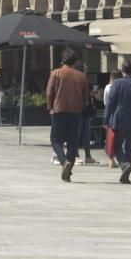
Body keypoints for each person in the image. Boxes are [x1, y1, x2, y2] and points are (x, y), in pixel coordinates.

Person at [45, 48, 90, 182]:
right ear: (75, 62)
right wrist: (80, 107)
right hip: (75, 112)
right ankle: (68, 170)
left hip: (59, 111)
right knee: (73, 142)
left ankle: (64, 161)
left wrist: (50, 107)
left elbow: (49, 93)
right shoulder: (81, 76)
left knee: (55, 140)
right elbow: (86, 97)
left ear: (62, 60)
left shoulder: (55, 73)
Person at [76, 62, 97, 165]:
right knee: (77, 134)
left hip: (85, 112)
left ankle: (88, 156)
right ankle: (76, 155)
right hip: (78, 111)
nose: (86, 71)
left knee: (86, 134)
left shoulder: (84, 80)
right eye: (85, 69)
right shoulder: (76, 80)